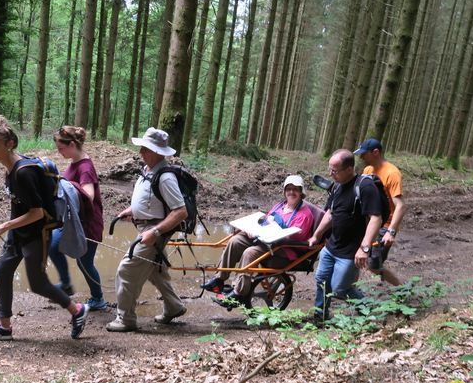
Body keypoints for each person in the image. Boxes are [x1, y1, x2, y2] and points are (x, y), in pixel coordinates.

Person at [0, 116, 89, 341]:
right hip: (18, 233)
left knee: (38, 284)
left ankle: (77, 310)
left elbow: (37, 212)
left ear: (9, 144)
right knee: (1, 272)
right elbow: (19, 204)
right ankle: (4, 328)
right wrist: (11, 229)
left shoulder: (23, 172)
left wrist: (4, 226)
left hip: (36, 235)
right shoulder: (9, 169)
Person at [106, 127, 188, 332]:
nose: (141, 152)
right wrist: (131, 211)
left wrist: (156, 232)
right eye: (142, 147)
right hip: (145, 227)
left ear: (159, 152)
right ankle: (174, 306)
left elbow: (180, 212)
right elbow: (150, 201)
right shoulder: (148, 170)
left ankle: (125, 319)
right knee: (155, 270)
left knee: (126, 270)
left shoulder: (166, 177)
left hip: (153, 231)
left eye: (146, 149)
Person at [203, 175, 315, 306]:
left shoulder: (304, 215)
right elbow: (265, 221)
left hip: (283, 248)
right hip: (266, 240)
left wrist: (266, 232)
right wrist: (252, 229)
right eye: (288, 189)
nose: (291, 192)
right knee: (235, 240)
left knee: (250, 252)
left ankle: (239, 293)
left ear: (301, 192)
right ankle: (219, 280)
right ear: (284, 191)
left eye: (295, 189)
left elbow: (292, 237)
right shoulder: (280, 205)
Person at [307, 149, 382, 321]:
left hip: (350, 251)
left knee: (340, 289)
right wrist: (317, 235)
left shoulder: (364, 187)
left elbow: (375, 219)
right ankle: (321, 315)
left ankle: (368, 308)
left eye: (335, 171)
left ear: (349, 169)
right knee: (321, 279)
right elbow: (330, 213)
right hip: (332, 246)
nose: (330, 174)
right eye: (330, 169)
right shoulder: (337, 186)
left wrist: (364, 248)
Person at [49, 126, 108, 311]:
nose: (59, 152)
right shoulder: (75, 162)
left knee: (84, 262)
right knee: (52, 245)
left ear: (72, 144)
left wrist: (67, 185)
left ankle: (98, 298)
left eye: (61, 148)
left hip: (88, 223)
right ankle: (66, 284)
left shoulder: (85, 167)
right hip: (73, 220)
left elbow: (88, 195)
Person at [354, 138, 406, 286]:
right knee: (355, 254)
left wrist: (391, 231)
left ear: (375, 152)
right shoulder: (368, 170)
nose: (361, 157)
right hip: (369, 222)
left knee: (374, 266)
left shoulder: (392, 173)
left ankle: (401, 288)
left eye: (364, 154)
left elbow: (401, 205)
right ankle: (349, 291)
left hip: (384, 227)